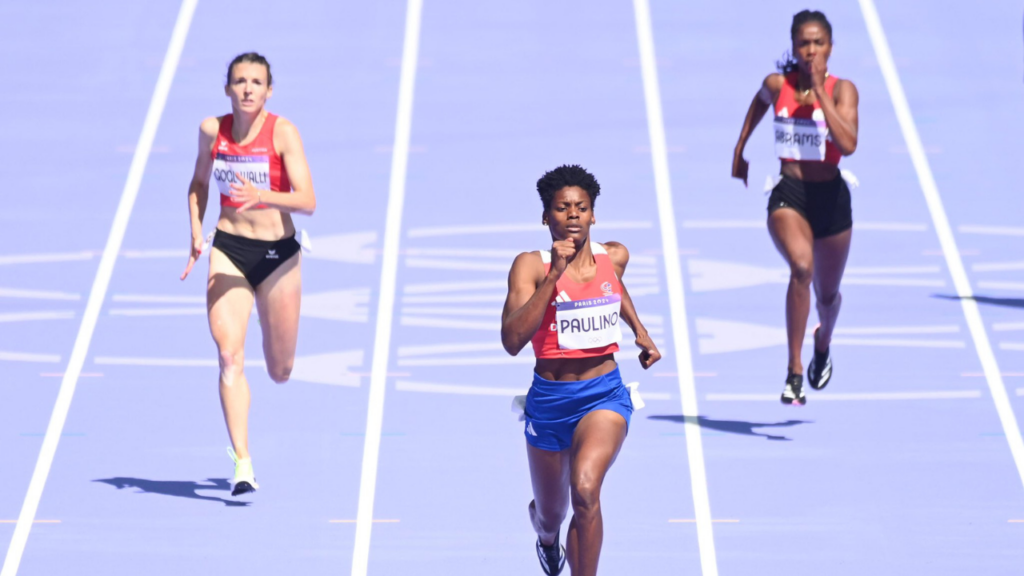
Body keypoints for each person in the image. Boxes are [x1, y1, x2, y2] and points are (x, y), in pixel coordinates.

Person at [501, 165, 661, 575]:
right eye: (561, 208)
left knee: (586, 491)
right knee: (551, 515)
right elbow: (512, 340)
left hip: (603, 396)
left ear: (593, 215)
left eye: (581, 207)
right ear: (545, 217)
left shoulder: (615, 255)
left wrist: (640, 330)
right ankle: (547, 539)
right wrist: (554, 275)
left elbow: (613, 284)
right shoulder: (530, 266)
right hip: (550, 403)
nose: (572, 214)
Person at [180, 52, 316, 495]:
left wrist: (265, 195)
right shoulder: (211, 131)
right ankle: (242, 460)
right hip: (230, 249)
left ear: (268, 90)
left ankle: (274, 353)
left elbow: (308, 200)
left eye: (256, 82)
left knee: (280, 369)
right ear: (228, 89)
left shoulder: (282, 132)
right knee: (229, 356)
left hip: (278, 254)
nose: (247, 89)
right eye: (240, 81)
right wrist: (197, 232)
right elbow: (199, 183)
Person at [731, 10, 859, 405]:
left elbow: (849, 144)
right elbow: (760, 100)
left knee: (827, 297)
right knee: (801, 268)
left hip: (832, 199)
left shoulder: (843, 91)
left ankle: (823, 340)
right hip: (790, 193)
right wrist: (740, 149)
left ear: (830, 48)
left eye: (818, 43)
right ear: (794, 46)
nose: (811, 51)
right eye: (804, 43)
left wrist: (820, 93)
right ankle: (794, 370)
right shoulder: (778, 84)